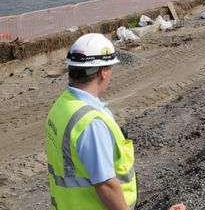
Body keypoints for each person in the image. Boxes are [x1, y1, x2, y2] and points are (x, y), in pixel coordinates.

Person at [45, 33, 186, 210]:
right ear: (103, 72)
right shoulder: (91, 122)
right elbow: (106, 185)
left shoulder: (61, 106)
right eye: (110, 68)